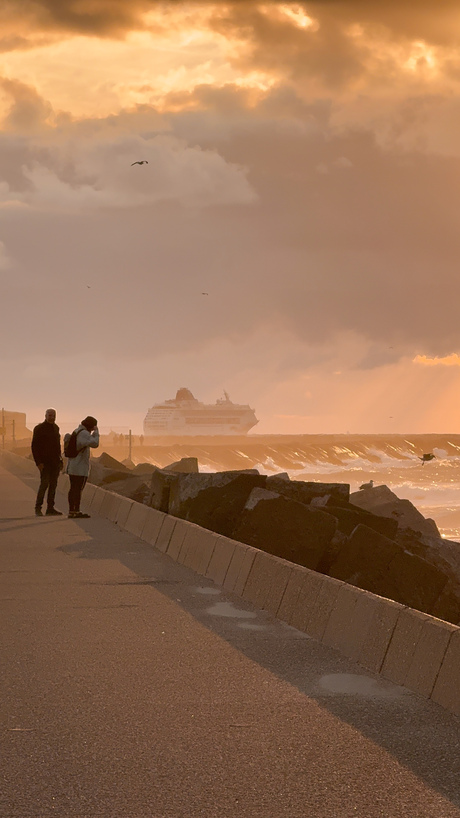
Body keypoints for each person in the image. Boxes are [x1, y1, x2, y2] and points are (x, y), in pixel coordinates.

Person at [65, 416, 99, 519]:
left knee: (73, 488)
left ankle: (72, 510)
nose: (93, 429)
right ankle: (75, 511)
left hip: (73, 465)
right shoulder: (84, 433)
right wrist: (96, 433)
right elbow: (95, 443)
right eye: (93, 427)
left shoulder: (77, 431)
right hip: (79, 467)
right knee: (77, 489)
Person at [31, 408, 63, 516]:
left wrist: (60, 460)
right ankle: (38, 507)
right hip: (44, 463)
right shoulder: (39, 428)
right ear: (45, 416)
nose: (52, 417)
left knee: (53, 485)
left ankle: (50, 508)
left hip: (55, 462)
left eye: (53, 415)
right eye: (50, 415)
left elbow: (58, 446)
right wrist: (38, 462)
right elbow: (34, 446)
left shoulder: (56, 428)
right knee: (44, 484)